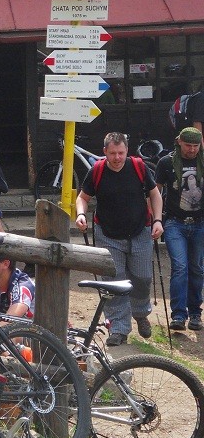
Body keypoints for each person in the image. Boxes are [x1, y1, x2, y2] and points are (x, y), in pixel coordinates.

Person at [76, 132, 164, 346]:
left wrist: (158, 220)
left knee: (142, 278)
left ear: (127, 151)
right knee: (112, 281)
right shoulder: (97, 170)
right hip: (107, 234)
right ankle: (118, 328)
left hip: (140, 231)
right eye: (113, 153)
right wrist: (80, 214)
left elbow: (154, 194)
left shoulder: (139, 167)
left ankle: (140, 313)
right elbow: (83, 198)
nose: (117, 158)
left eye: (121, 153)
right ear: (104, 152)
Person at [154, 127, 204, 331]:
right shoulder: (166, 163)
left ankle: (195, 313)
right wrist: (156, 219)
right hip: (175, 222)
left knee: (197, 268)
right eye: (188, 145)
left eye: (195, 146)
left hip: (200, 222)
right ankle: (178, 315)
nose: (192, 150)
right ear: (179, 142)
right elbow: (155, 191)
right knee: (180, 267)